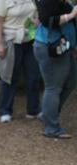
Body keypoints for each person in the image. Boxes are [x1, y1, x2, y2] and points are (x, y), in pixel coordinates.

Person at [33, 0, 77, 138]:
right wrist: (71, 15)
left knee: (72, 80)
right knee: (53, 87)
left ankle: (47, 114)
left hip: (64, 47)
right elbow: (47, 21)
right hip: (51, 47)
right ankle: (52, 128)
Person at [0, 0, 41, 123]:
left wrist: (37, 22)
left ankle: (33, 110)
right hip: (11, 41)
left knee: (33, 76)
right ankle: (5, 111)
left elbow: (36, 14)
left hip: (31, 38)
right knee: (10, 76)